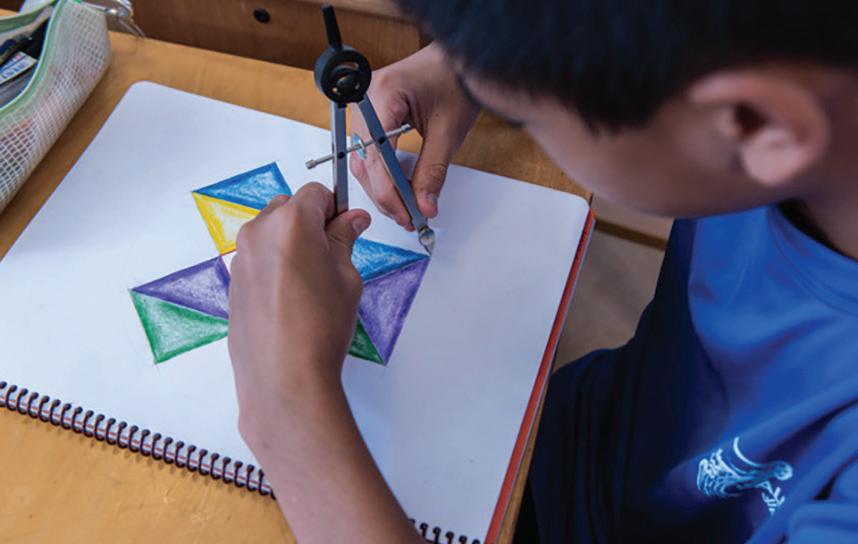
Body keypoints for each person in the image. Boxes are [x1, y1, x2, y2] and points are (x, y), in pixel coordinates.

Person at [226, 1, 858, 542]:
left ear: (755, 123)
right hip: (569, 445)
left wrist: (288, 408)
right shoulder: (798, 84)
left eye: (526, 114)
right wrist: (478, 61)